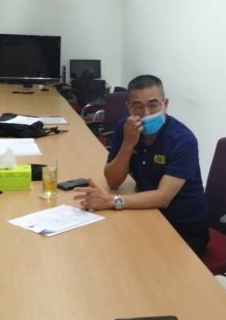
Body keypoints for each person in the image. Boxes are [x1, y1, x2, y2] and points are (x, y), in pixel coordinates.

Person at [73, 75, 210, 256]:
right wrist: (128, 144)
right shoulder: (126, 128)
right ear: (128, 107)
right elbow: (113, 181)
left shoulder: (183, 140)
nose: (146, 113)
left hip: (183, 226)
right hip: (146, 211)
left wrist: (111, 201)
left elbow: (163, 197)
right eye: (138, 106)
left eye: (153, 105)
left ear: (165, 104)